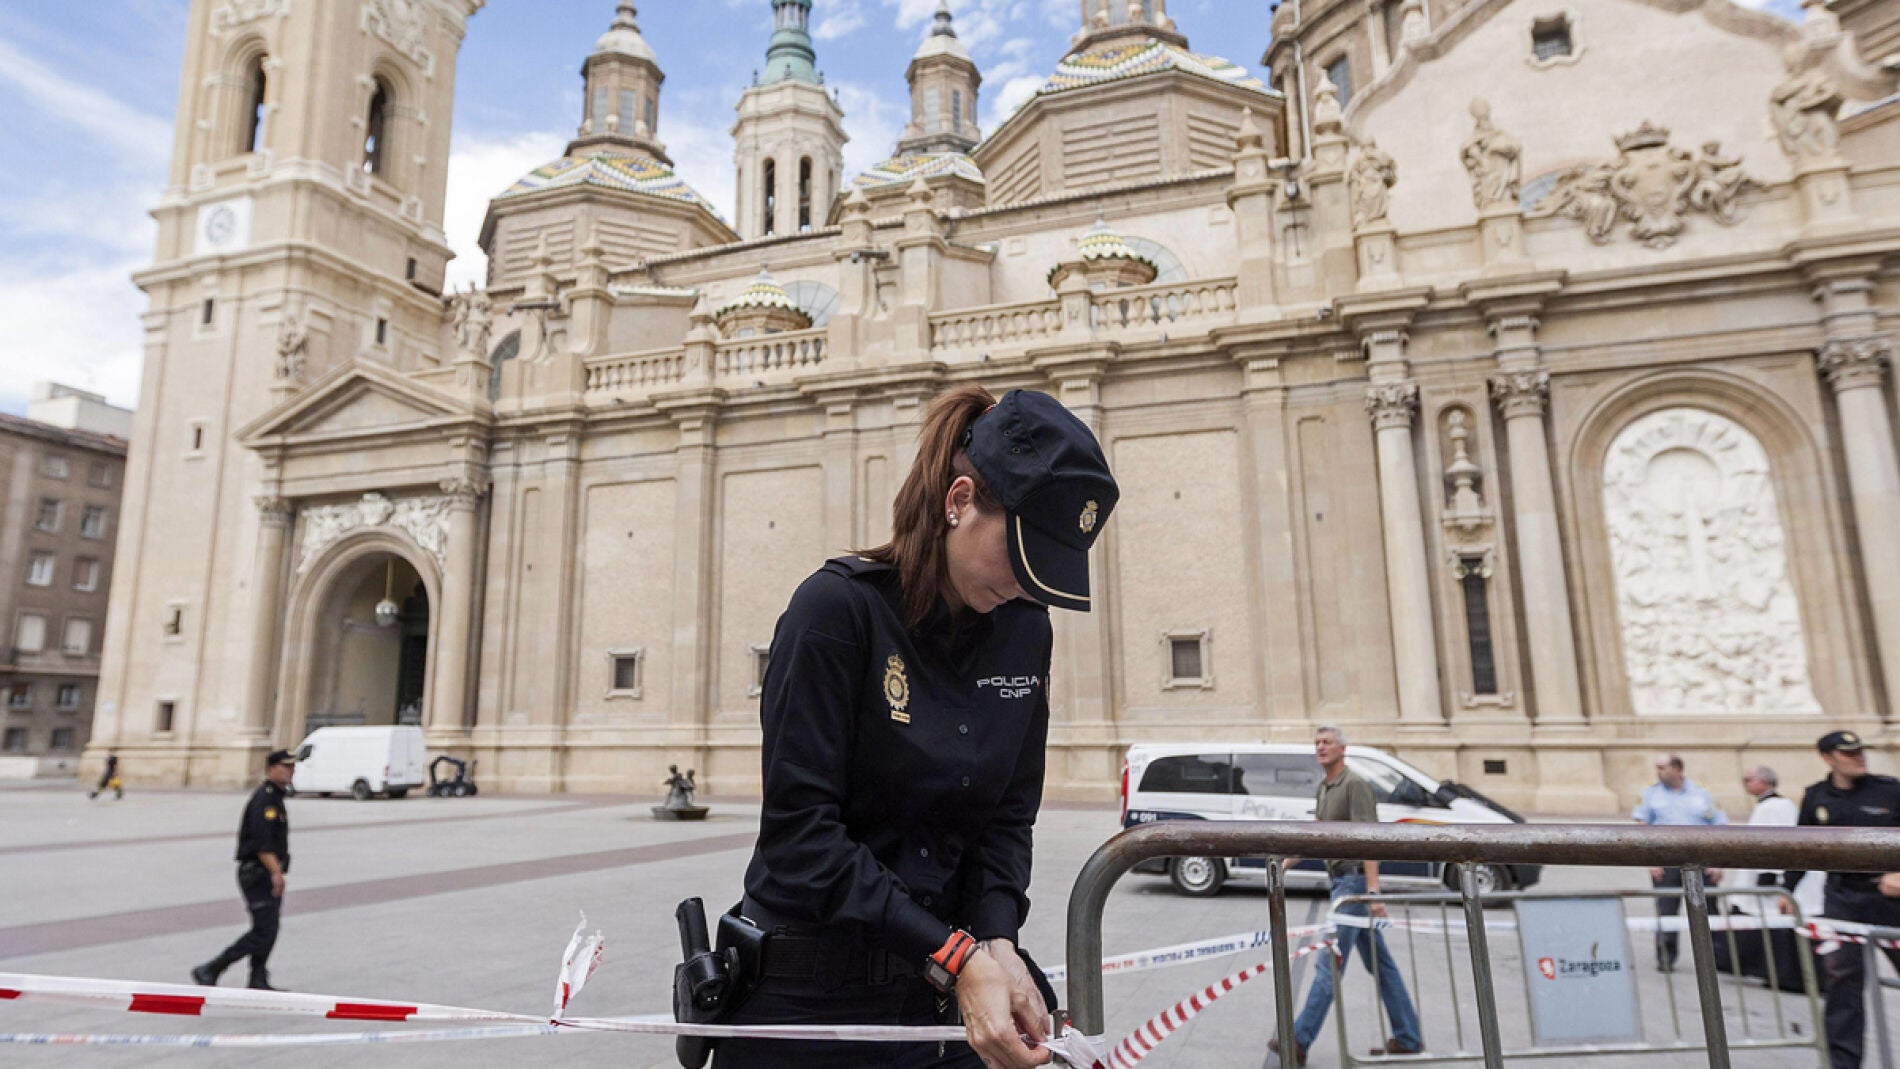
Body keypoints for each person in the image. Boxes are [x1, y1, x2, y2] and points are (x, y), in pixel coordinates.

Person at [711, 386, 1118, 1069]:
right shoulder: (836, 612)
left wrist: (998, 941)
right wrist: (955, 953)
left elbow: (1007, 818)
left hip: (946, 996)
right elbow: (801, 838)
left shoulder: (1024, 630)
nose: (1029, 585)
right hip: (813, 1002)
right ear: (958, 500)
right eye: (1022, 556)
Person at [1269, 726, 1423, 1068]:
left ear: (1342, 749)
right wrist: (1286, 864)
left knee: (1329, 963)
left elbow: (1369, 839)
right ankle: (1409, 1036)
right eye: (1317, 743)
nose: (1321, 748)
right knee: (1382, 966)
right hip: (1341, 882)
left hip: (1353, 888)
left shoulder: (1354, 785)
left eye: (1327, 743)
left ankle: (1299, 1039)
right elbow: (1317, 835)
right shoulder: (1325, 788)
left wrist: (1373, 891)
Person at [1779, 731, 1900, 1069]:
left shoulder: (1890, 790)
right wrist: (1787, 888)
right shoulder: (1816, 798)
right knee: (1842, 983)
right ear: (1828, 758)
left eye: (1861, 751)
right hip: (1843, 899)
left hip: (1890, 899)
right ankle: (1843, 1064)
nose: (1859, 757)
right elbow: (1802, 848)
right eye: (1849, 753)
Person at [192, 749, 296, 991]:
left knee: (268, 928)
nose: (290, 771)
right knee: (264, 929)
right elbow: (262, 843)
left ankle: (258, 977)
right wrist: (275, 873)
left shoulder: (276, 797)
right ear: (271, 769)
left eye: (292, 767)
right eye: (285, 766)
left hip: (264, 871)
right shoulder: (265, 799)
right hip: (258, 873)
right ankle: (212, 968)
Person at [1632, 753, 1727, 972]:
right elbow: (1641, 828)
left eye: (1663, 767)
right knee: (1666, 910)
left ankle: (1717, 958)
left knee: (1708, 910)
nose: (1658, 772)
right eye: (1657, 767)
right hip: (1666, 862)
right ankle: (1666, 957)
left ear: (1677, 769)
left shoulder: (1702, 793)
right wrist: (1650, 861)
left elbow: (1719, 827)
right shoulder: (1650, 793)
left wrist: (1718, 862)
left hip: (1702, 860)